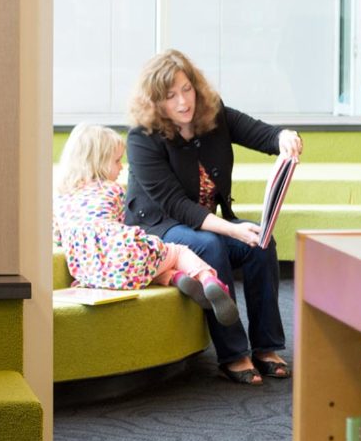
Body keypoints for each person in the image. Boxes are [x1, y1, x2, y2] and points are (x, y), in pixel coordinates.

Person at [124, 49, 303, 385]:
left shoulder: (213, 113)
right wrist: (233, 231)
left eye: (186, 89)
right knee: (211, 246)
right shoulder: (141, 139)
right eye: (170, 96)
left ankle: (266, 347)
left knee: (261, 243)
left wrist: (284, 137)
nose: (182, 102)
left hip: (204, 223)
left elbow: (261, 133)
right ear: (154, 102)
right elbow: (178, 206)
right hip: (159, 229)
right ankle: (233, 354)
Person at [54, 123, 239, 326]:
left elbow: (57, 237)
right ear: (98, 162)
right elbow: (118, 227)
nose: (121, 167)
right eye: (116, 161)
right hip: (123, 253)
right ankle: (209, 281)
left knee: (143, 268)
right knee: (177, 253)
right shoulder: (112, 190)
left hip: (92, 270)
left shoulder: (60, 199)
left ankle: (175, 278)